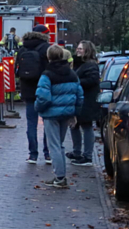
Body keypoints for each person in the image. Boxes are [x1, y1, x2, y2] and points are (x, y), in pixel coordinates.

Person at [36, 44, 84, 188]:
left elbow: (43, 97)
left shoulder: (47, 75)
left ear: (48, 57)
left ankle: (60, 177)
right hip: (66, 114)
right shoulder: (72, 74)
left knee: (54, 146)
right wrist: (75, 113)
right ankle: (60, 176)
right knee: (60, 145)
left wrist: (38, 108)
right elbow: (79, 96)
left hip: (51, 114)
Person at [16, 24, 52, 164]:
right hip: (44, 90)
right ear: (44, 34)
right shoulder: (46, 48)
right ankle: (47, 154)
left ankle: (33, 155)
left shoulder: (22, 48)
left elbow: (17, 71)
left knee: (31, 123)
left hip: (28, 91)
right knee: (47, 122)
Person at [68, 40, 99, 167]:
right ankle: (77, 152)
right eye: (78, 48)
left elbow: (92, 80)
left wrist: (76, 82)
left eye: (81, 48)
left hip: (87, 101)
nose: (78, 50)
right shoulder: (79, 64)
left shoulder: (91, 65)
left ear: (87, 50)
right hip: (79, 100)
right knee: (74, 125)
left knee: (86, 127)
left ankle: (87, 156)